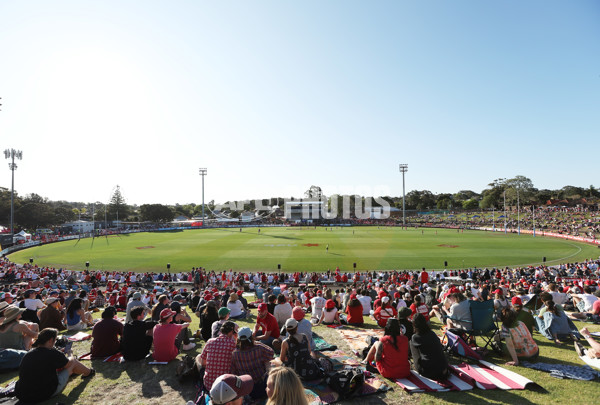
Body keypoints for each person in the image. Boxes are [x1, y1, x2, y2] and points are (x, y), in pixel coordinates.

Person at [14, 328, 95, 403]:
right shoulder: (52, 353)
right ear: (50, 340)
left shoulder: (29, 354)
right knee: (73, 362)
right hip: (43, 394)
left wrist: (59, 352)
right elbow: (69, 363)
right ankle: (88, 372)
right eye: (55, 340)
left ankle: (86, 372)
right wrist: (70, 354)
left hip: (23, 394)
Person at [231, 327, 274, 400]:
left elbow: (234, 371)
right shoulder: (258, 347)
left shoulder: (235, 353)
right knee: (272, 364)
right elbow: (271, 353)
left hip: (247, 389)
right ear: (251, 337)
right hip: (262, 385)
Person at [197, 321, 238, 391]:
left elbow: (203, 363)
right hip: (226, 385)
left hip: (208, 384)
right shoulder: (233, 344)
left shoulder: (210, 341)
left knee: (198, 357)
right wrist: (236, 339)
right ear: (232, 332)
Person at [410, 313, 449, 380]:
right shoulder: (432, 333)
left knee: (411, 342)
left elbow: (416, 358)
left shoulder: (415, 337)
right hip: (444, 370)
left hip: (430, 372)